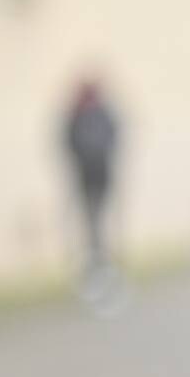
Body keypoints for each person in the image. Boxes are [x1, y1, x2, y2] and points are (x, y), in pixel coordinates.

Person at [63, 79, 122, 309]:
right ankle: (93, 269)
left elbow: (113, 136)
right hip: (84, 180)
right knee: (90, 227)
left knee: (104, 225)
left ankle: (108, 269)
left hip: (103, 177)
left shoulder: (103, 115)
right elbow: (68, 142)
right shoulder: (75, 116)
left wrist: (100, 154)